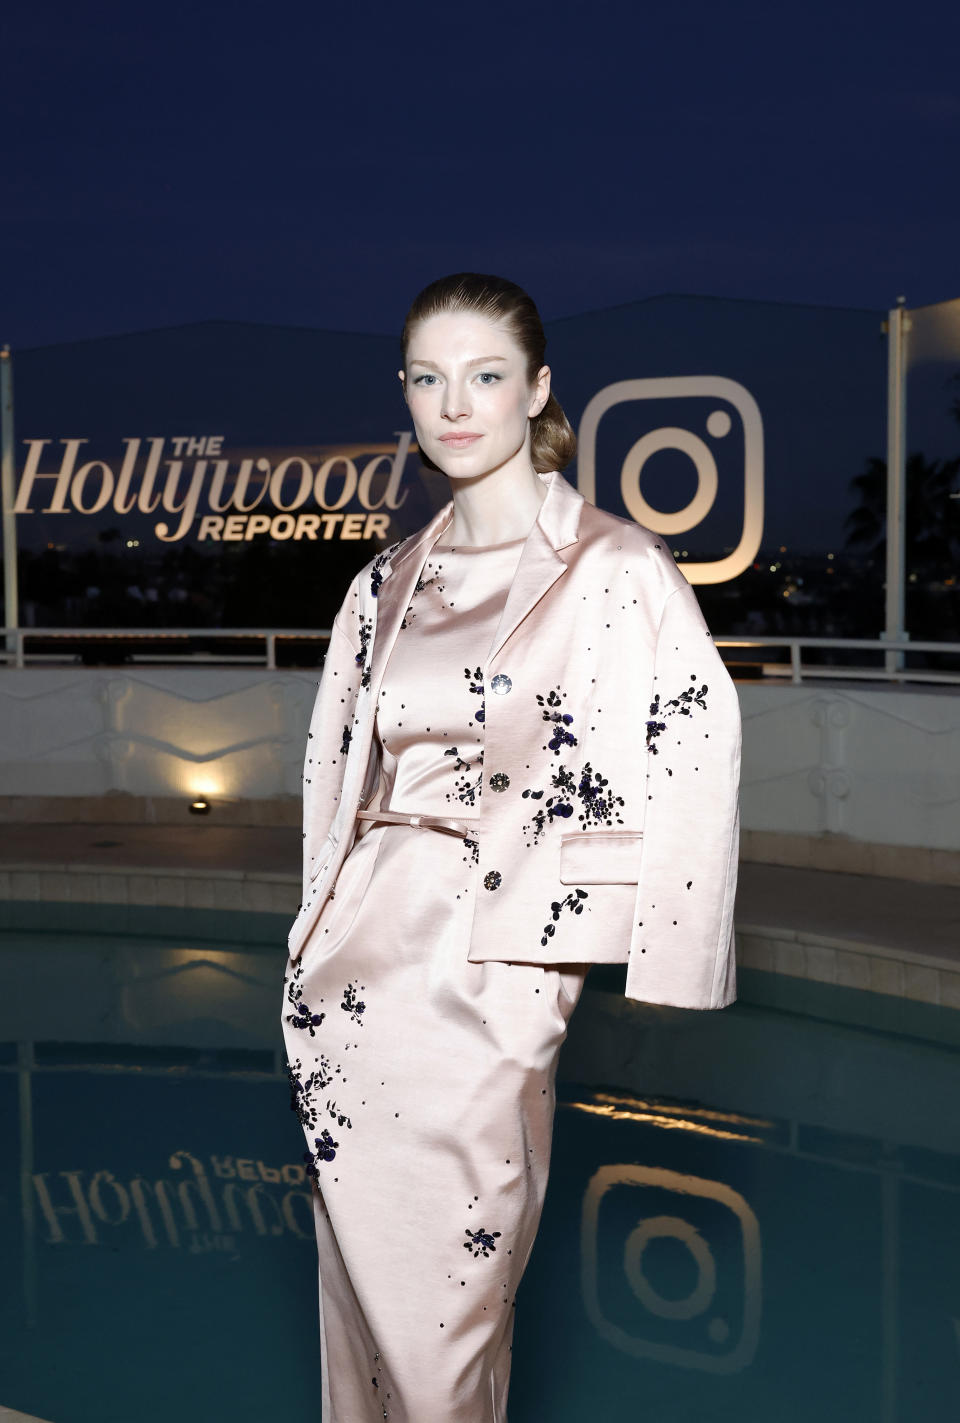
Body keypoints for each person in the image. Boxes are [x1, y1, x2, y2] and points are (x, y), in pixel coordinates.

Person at [281, 272, 741, 1421]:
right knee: (358, 1304)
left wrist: (639, 963)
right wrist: (310, 928)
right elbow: (334, 768)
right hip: (354, 980)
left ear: (537, 389)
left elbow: (695, 744)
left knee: (449, 1316)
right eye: (428, 378)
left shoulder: (613, 568)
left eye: (484, 376)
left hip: (494, 968)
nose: (455, 403)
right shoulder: (386, 581)